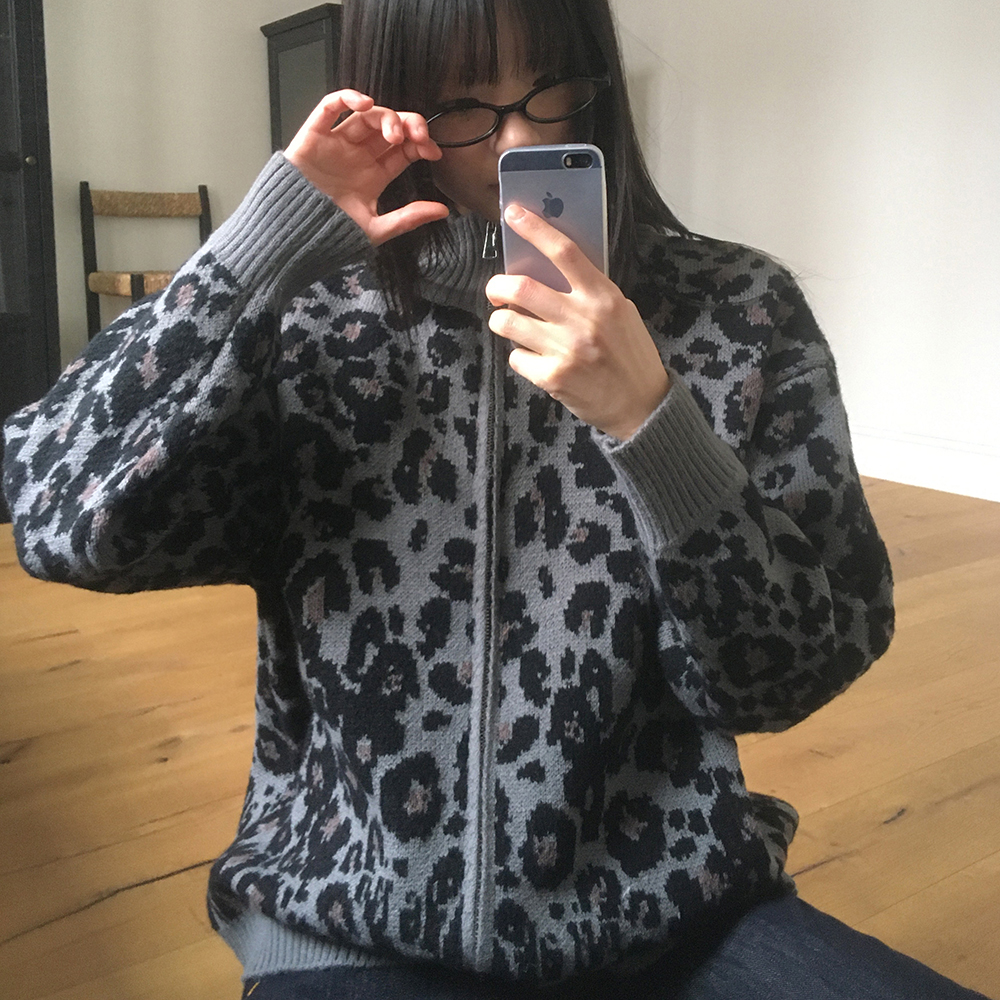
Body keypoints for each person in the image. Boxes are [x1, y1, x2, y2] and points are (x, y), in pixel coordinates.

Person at [1, 1, 989, 998]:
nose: (519, 140)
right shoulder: (308, 323)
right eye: (464, 107)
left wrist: (656, 424)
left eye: (550, 89)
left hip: (670, 914)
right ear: (396, 108)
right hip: (353, 920)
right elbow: (52, 512)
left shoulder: (737, 311)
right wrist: (256, 252)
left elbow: (792, 671)